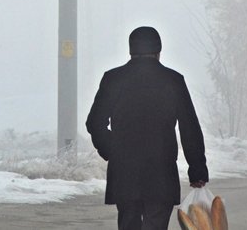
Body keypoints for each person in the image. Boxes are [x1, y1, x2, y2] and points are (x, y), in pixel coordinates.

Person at [86, 26, 208, 230]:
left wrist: (113, 150)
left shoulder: (113, 79)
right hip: (161, 173)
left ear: (130, 50)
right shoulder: (173, 80)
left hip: (125, 172)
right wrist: (197, 169)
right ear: (158, 51)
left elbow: (94, 122)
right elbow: (189, 127)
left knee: (128, 224)